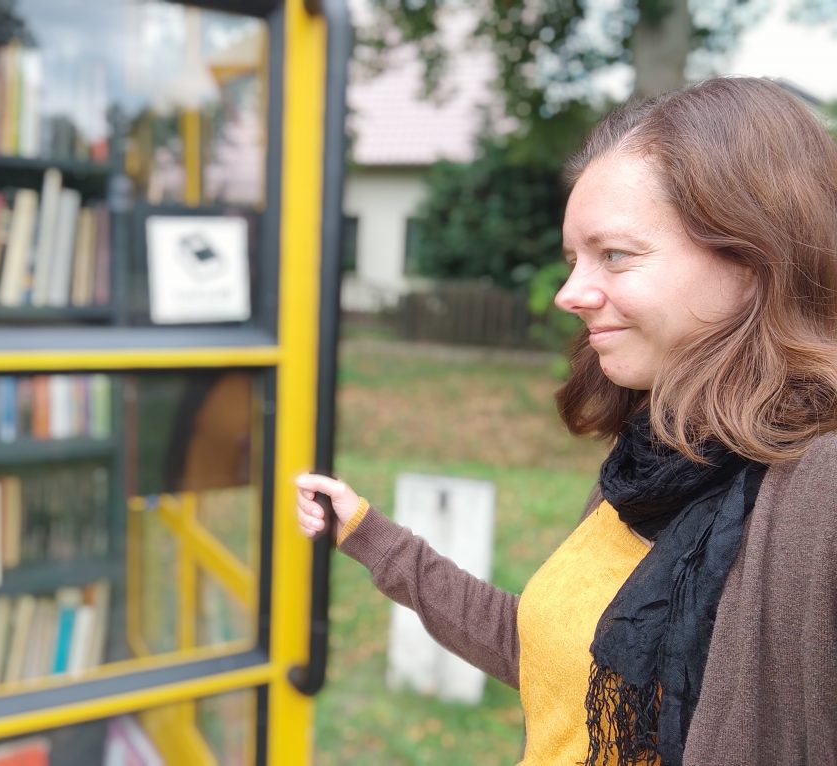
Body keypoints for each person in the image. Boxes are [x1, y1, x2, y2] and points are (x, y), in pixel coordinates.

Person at [296, 76, 837, 766]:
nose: (570, 294)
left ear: (754, 258)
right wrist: (370, 536)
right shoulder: (653, 459)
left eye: (614, 254)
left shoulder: (818, 491)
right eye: (573, 259)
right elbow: (551, 651)